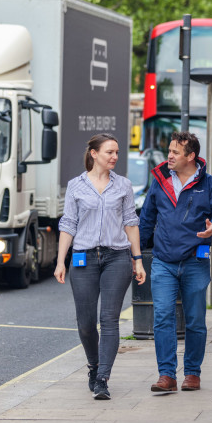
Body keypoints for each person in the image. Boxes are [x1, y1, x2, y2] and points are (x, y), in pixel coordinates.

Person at [55, 133, 147, 400]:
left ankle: (103, 378)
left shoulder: (123, 186)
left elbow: (131, 222)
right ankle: (93, 367)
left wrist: (137, 259)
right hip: (83, 257)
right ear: (94, 154)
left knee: (109, 319)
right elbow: (68, 224)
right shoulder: (76, 186)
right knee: (85, 323)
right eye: (110, 152)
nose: (115, 157)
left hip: (116, 257)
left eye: (117, 152)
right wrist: (61, 261)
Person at [139, 132, 212, 392]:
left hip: (194, 262)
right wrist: (136, 256)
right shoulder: (159, 181)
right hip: (163, 262)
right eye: (169, 150)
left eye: (176, 152)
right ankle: (166, 375)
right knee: (163, 318)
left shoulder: (210, 185)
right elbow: (146, 218)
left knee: (195, 320)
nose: (169, 155)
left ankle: (192, 373)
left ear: (191, 156)